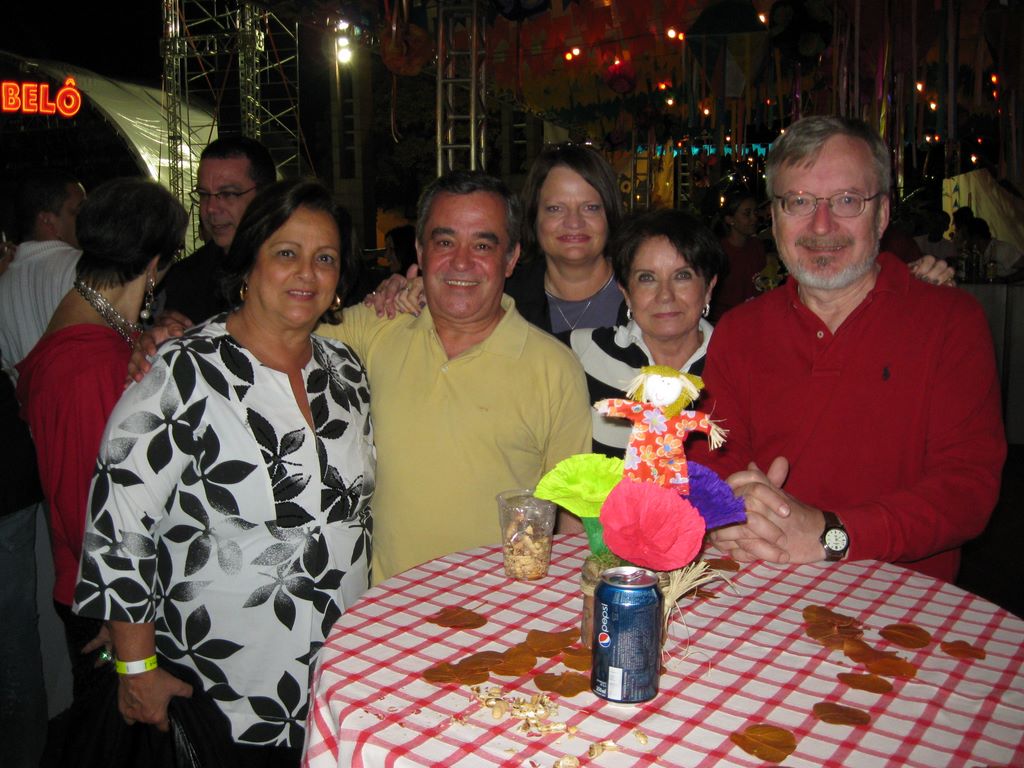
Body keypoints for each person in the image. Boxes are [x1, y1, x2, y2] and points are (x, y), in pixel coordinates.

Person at [135, 171, 591, 584]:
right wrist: (173, 337)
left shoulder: (554, 367)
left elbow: (571, 519)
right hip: (380, 618)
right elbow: (277, 321)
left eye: (484, 245)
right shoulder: (374, 329)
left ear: (511, 258)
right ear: (420, 252)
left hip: (501, 616)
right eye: (444, 242)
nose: (461, 262)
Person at [74, 179, 374, 763]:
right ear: (249, 263)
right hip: (219, 687)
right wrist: (136, 668)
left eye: (326, 258)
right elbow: (119, 518)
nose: (306, 274)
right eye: (286, 253)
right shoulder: (184, 371)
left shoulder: (347, 372)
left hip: (340, 674)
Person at [688, 115, 1006, 582]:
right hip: (762, 588)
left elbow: (966, 493)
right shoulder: (739, 330)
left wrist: (829, 535)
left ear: (881, 214)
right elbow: (713, 465)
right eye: (798, 201)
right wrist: (729, 516)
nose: (821, 225)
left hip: (901, 607)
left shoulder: (950, 322)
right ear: (773, 218)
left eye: (846, 201)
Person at [17, 179, 187, 706]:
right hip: (108, 606)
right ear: (154, 263)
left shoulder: (89, 334)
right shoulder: (89, 365)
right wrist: (125, 634)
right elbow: (85, 508)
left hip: (106, 595)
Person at [568, 208, 725, 458]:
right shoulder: (582, 352)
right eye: (647, 278)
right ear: (626, 291)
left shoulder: (735, 363)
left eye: (682, 276)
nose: (665, 295)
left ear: (708, 287)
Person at [159, 135, 276, 324]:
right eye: (204, 195)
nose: (211, 208)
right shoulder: (185, 279)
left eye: (228, 194)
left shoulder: (298, 271)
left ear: (266, 196)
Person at [0, 168, 86, 375]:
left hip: (31, 406)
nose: (88, 220)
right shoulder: (84, 268)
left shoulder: (4, 283)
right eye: (78, 212)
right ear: (47, 220)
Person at [711, 188, 766, 321]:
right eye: (747, 214)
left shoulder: (757, 246)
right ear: (730, 219)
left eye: (755, 212)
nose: (754, 218)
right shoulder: (719, 252)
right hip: (727, 321)